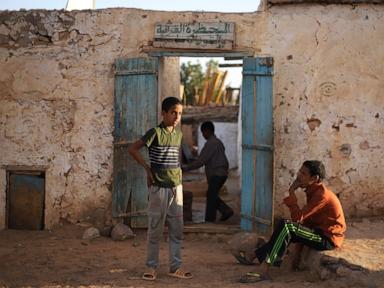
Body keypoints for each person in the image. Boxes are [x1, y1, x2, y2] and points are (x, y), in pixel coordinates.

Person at [239, 160, 346, 283]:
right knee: (283, 226)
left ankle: (263, 269)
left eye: (303, 173)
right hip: (317, 231)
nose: (298, 175)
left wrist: (291, 192)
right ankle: (253, 256)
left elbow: (298, 218)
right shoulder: (313, 191)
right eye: (300, 171)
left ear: (315, 178)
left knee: (287, 226)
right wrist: (296, 257)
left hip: (327, 239)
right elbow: (305, 221)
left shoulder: (321, 196)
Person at [128, 96, 192, 281]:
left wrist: (179, 180)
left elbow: (177, 160)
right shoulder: (155, 132)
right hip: (158, 188)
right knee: (155, 229)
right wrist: (147, 170)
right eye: (173, 112)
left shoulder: (178, 135)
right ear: (163, 113)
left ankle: (176, 266)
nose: (177, 116)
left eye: (179, 113)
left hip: (176, 188)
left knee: (176, 230)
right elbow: (133, 149)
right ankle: (151, 267)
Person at [183, 121, 234, 222]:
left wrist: (186, 168)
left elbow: (201, 161)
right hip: (221, 173)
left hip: (217, 174)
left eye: (203, 133)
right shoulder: (218, 142)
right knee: (212, 195)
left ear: (207, 131)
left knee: (211, 195)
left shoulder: (211, 143)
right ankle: (224, 211)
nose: (203, 135)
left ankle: (211, 219)